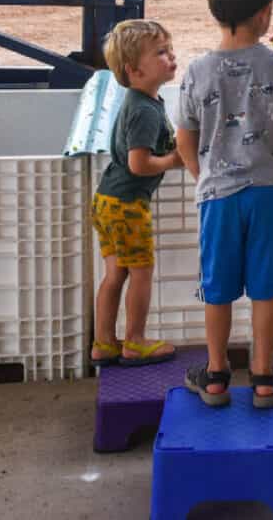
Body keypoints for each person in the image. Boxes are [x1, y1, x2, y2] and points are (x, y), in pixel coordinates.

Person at [176, 0, 273, 408]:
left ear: (214, 11)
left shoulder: (196, 72)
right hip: (270, 191)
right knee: (265, 287)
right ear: (266, 14)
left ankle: (215, 375)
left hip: (217, 195)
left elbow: (185, 138)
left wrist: (206, 177)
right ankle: (262, 378)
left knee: (217, 287)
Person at [91, 20, 184, 367]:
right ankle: (135, 341)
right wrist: (176, 160)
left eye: (169, 48)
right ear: (133, 70)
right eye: (161, 53)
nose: (171, 56)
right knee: (141, 272)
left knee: (115, 273)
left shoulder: (144, 101)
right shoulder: (144, 110)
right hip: (127, 205)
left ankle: (103, 343)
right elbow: (139, 164)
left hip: (106, 200)